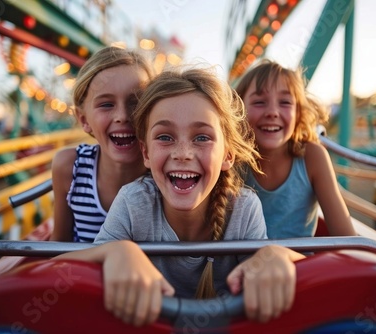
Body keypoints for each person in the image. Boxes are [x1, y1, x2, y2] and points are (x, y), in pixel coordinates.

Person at [57, 67, 304, 326]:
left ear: (228, 154)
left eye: (202, 137)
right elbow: (63, 269)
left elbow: (266, 269)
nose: (183, 153)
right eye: (165, 137)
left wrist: (277, 255)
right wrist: (114, 252)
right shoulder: (133, 202)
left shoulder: (242, 209)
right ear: (147, 153)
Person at [235, 59, 356, 238]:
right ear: (238, 111)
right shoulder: (232, 159)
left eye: (284, 102)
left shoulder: (312, 157)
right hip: (243, 265)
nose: (273, 112)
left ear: (298, 113)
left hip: (297, 264)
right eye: (260, 102)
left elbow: (346, 237)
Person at [50, 47, 154, 242]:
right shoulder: (69, 168)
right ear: (84, 120)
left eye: (136, 102)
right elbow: (58, 246)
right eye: (106, 104)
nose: (122, 116)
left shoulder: (166, 174)